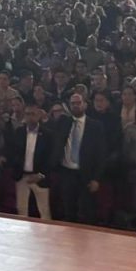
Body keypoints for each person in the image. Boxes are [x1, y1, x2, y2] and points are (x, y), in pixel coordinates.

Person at [49, 92, 106, 224]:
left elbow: (101, 154)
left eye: (78, 103)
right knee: (68, 210)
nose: (75, 105)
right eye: (73, 103)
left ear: (85, 104)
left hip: (86, 173)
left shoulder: (95, 126)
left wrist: (96, 178)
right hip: (67, 172)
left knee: (88, 211)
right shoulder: (63, 122)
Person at [5, 103, 51, 219]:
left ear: (39, 115)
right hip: (22, 176)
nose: (30, 117)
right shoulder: (18, 132)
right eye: (27, 114)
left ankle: (46, 231)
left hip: (40, 176)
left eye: (33, 114)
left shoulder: (47, 134)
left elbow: (50, 158)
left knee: (44, 210)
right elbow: (13, 152)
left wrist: (41, 174)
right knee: (21, 209)